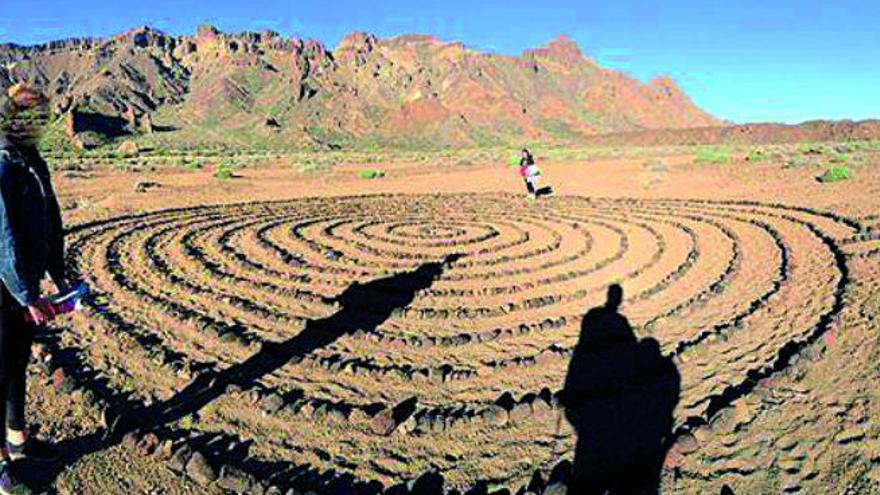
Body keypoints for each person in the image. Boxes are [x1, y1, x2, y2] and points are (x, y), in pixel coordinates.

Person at [0, 83, 68, 494]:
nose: (35, 123)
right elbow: (2, 238)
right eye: (28, 115)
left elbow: (51, 217)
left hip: (23, 285)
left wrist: (58, 273)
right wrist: (27, 294)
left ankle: (18, 441)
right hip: (3, 287)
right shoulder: (4, 163)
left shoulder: (32, 161)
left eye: (40, 117)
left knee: (18, 363)